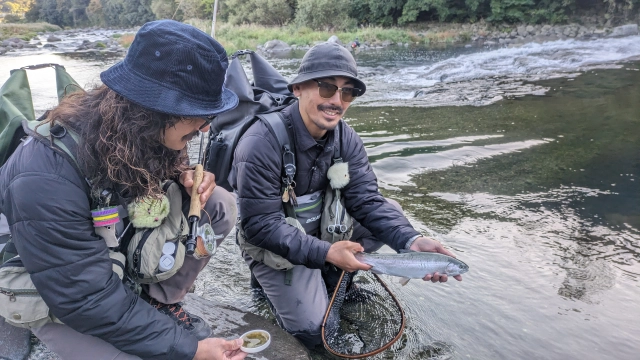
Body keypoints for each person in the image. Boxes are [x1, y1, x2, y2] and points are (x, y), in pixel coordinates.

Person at [0, 20, 245, 360]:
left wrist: (186, 177)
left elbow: (163, 171)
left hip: (107, 252)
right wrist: (190, 350)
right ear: (151, 111)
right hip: (59, 288)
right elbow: (85, 299)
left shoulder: (142, 129)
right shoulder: (43, 173)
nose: (207, 125)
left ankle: (160, 302)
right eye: (200, 114)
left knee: (217, 203)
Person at [230, 41, 462, 349]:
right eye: (327, 88)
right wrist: (327, 253)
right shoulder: (260, 142)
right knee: (316, 331)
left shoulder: (346, 139)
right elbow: (260, 225)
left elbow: (366, 202)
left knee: (391, 207)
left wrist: (412, 241)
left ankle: (331, 275)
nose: (337, 100)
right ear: (298, 88)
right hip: (277, 243)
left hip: (320, 236)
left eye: (347, 92)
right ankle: (271, 283)